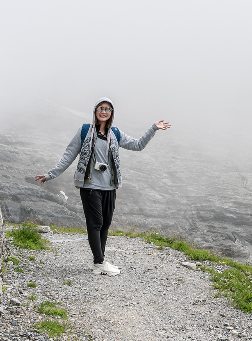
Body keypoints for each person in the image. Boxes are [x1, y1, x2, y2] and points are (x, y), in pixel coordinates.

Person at [35, 97, 171, 276]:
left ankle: (99, 261)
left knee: (105, 224)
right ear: (95, 111)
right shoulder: (84, 131)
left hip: (110, 186)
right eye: (101, 108)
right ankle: (99, 262)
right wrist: (50, 174)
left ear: (111, 113)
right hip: (89, 184)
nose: (104, 111)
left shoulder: (115, 134)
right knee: (96, 222)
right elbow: (69, 154)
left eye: (107, 109)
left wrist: (153, 128)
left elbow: (138, 145)